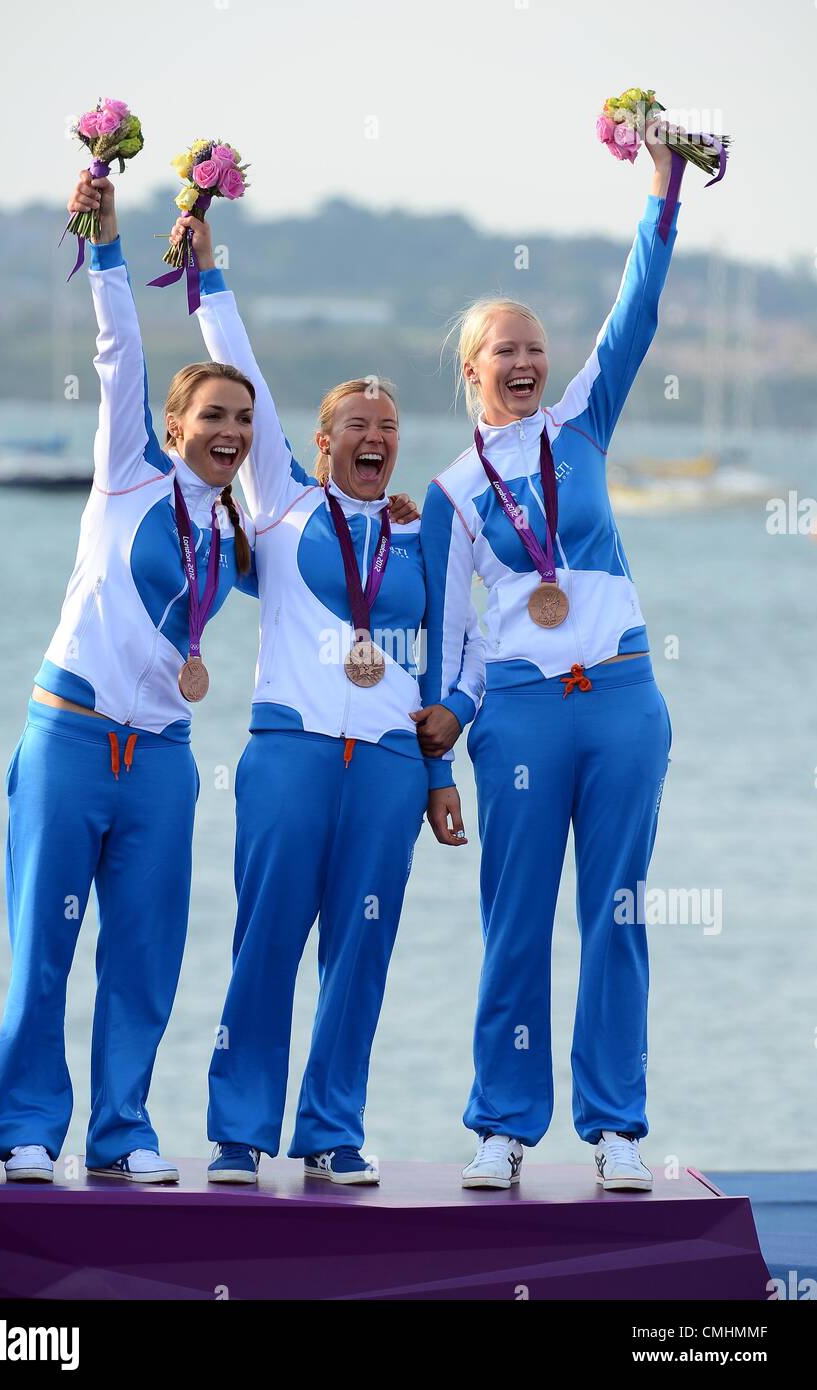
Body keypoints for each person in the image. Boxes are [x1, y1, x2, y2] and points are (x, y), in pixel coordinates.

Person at [168, 213, 484, 1184]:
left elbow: (458, 652)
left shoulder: (422, 528)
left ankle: (332, 1131)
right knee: (265, 941)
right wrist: (208, 273)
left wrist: (445, 753)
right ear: (317, 442)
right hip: (290, 754)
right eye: (358, 427)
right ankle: (235, 1134)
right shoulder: (280, 503)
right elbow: (243, 369)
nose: (376, 439)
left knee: (361, 953)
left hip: (389, 767)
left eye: (388, 430)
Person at [418, 124, 680, 1191]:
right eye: (505, 353)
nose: (525, 363)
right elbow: (442, 647)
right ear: (474, 372)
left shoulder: (583, 420)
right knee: (515, 923)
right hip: (519, 715)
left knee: (614, 913)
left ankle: (616, 1127)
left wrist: (664, 191)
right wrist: (436, 769)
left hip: (620, 699)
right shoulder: (448, 494)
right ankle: (502, 1127)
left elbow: (636, 312)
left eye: (534, 348)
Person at [0, 171, 257, 1184]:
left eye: (241, 419)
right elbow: (118, 355)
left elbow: (333, 570)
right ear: (175, 426)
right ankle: (23, 1127)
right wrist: (105, 244)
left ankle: (122, 1130)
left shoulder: (238, 526)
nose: (230, 431)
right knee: (42, 949)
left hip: (165, 764)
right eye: (212, 416)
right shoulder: (129, 475)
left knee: (143, 956)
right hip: (69, 741)